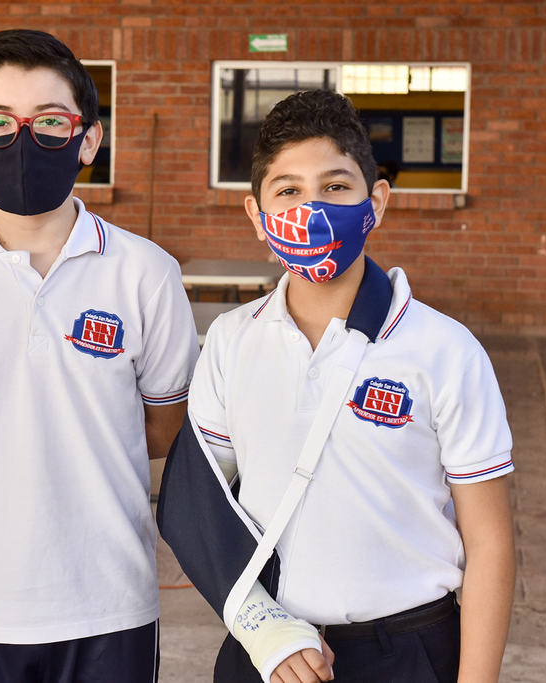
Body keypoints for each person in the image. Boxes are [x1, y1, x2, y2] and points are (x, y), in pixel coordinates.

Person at [0, 29, 200, 683]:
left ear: (89, 138)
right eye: (0, 122)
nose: (23, 141)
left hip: (107, 603)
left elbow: (167, 426)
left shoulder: (146, 273)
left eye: (49, 122)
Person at [157, 90, 515, 683]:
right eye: (289, 191)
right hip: (268, 651)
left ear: (376, 202)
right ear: (256, 213)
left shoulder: (445, 350)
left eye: (336, 186)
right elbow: (197, 507)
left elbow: (491, 542)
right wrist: (261, 627)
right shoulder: (229, 339)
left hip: (408, 649)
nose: (311, 208)